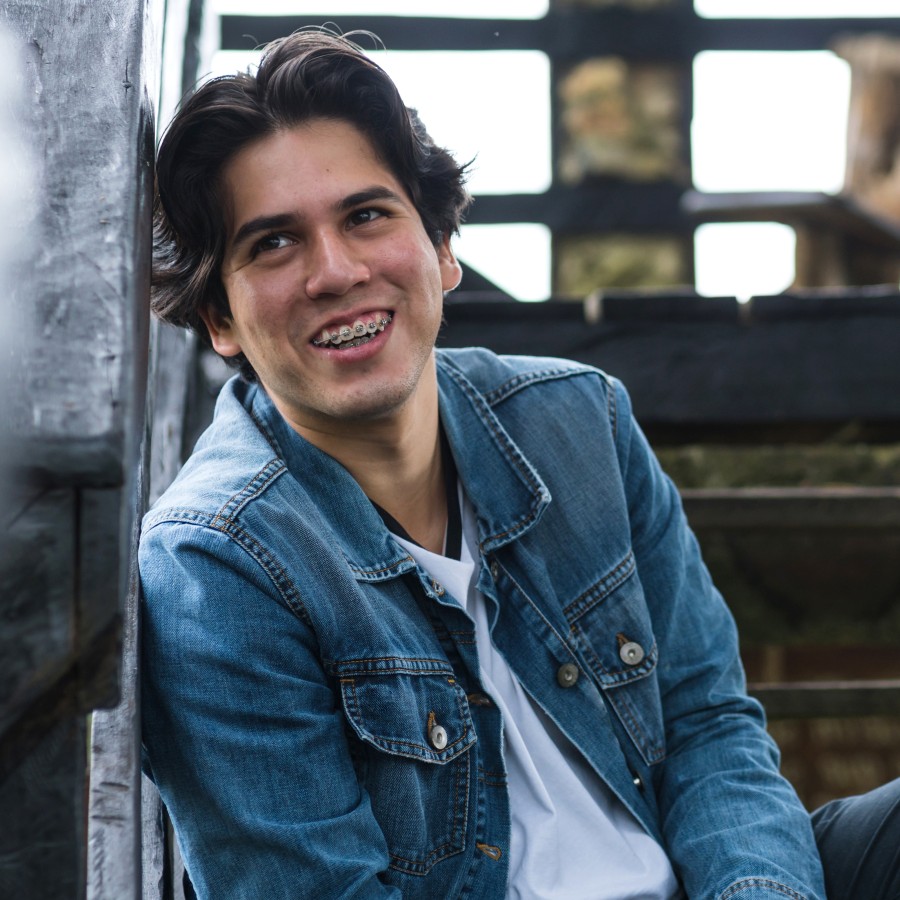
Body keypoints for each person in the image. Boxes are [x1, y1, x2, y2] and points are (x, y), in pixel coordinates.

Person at [139, 28, 900, 900]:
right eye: (273, 243)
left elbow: (707, 728)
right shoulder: (216, 566)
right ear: (220, 319)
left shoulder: (578, 420)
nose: (335, 271)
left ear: (442, 247)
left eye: (366, 215)